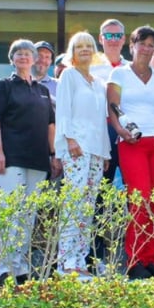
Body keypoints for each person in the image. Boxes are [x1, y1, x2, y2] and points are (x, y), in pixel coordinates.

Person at [0, 39, 59, 286]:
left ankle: (21, 268)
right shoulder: (5, 85)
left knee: (28, 215)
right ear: (12, 58)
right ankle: (4, 269)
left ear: (35, 58)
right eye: (18, 53)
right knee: (11, 213)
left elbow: (51, 124)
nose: (24, 57)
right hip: (11, 158)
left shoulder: (43, 90)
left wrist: (54, 154)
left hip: (38, 160)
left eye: (28, 53)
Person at [108, 25, 154, 280]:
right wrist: (121, 133)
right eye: (142, 43)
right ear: (132, 46)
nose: (146, 48)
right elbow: (113, 108)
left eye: (151, 45)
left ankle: (149, 259)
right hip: (132, 143)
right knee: (139, 201)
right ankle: (133, 260)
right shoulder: (119, 74)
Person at [54, 32, 111, 280]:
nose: (85, 50)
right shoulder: (69, 75)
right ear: (72, 52)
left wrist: (106, 150)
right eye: (80, 46)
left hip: (96, 150)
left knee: (88, 207)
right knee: (73, 204)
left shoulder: (98, 82)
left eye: (89, 45)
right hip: (76, 147)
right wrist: (69, 138)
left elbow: (101, 120)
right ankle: (66, 262)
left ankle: (80, 261)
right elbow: (63, 110)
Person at [89, 19, 130, 270]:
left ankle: (136, 256)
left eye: (118, 36)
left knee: (135, 196)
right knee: (98, 197)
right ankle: (95, 258)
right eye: (109, 36)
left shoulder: (131, 68)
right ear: (100, 38)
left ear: (124, 39)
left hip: (128, 134)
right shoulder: (91, 67)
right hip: (101, 133)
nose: (113, 40)